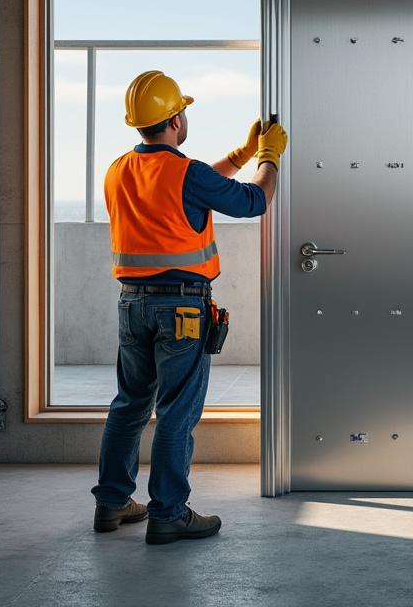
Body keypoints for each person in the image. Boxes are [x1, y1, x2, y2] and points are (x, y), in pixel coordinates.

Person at [90, 70, 287, 545]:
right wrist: (268, 158)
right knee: (176, 412)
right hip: (180, 309)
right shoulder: (187, 172)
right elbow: (254, 200)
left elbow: (186, 190)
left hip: (131, 305)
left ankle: (112, 504)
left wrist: (239, 155)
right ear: (176, 119)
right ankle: (169, 514)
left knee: (129, 406)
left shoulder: (118, 169)